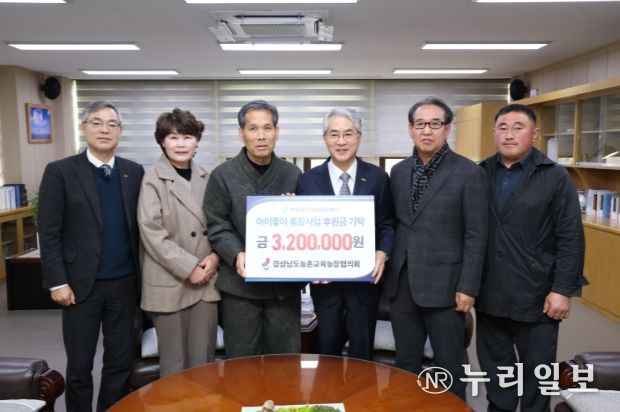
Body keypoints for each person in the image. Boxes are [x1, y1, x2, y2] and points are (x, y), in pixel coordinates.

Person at [476, 103, 587, 412]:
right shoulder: (480, 173)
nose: (509, 135)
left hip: (537, 295)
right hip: (489, 293)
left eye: (518, 128)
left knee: (537, 376)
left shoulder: (555, 176)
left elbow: (571, 237)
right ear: (494, 133)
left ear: (535, 134)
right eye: (502, 128)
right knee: (497, 373)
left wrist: (562, 290)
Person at [38, 101, 144, 411]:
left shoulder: (133, 171)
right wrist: (57, 281)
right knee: (80, 366)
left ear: (120, 131)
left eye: (112, 124)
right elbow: (49, 231)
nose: (104, 130)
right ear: (84, 128)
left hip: (125, 284)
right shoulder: (60, 171)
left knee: (119, 362)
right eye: (96, 123)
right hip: (79, 286)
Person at [385, 96, 488, 400]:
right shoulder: (399, 171)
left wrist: (468, 286)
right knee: (405, 363)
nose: (427, 130)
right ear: (410, 129)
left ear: (447, 129)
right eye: (420, 124)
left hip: (447, 286)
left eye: (434, 123)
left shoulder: (469, 173)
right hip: (403, 284)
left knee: (449, 365)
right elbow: (396, 223)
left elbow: (476, 235)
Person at [203, 99, 304, 358]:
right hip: (240, 288)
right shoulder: (222, 175)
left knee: (284, 362)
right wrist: (236, 253)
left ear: (276, 132)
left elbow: (306, 228)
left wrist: (297, 213)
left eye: (267, 128)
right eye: (253, 128)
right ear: (241, 134)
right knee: (242, 363)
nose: (261, 136)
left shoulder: (293, 174)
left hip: (284, 289)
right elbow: (217, 224)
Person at [296, 107, 394, 360]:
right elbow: (302, 231)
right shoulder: (307, 180)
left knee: (363, 357)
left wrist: (382, 252)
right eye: (334, 134)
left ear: (359, 137)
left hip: (365, 286)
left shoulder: (378, 177)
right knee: (326, 355)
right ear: (325, 138)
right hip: (325, 287)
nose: (341, 141)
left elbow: (386, 223)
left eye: (348, 134)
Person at [138, 108, 220, 377]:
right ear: (162, 141)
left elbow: (220, 224)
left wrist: (215, 257)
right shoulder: (152, 179)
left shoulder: (207, 177)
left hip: (206, 279)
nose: (181, 144)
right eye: (173, 137)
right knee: (174, 364)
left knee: (204, 361)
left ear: (197, 141)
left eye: (187, 137)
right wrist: (189, 267)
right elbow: (151, 232)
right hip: (169, 281)